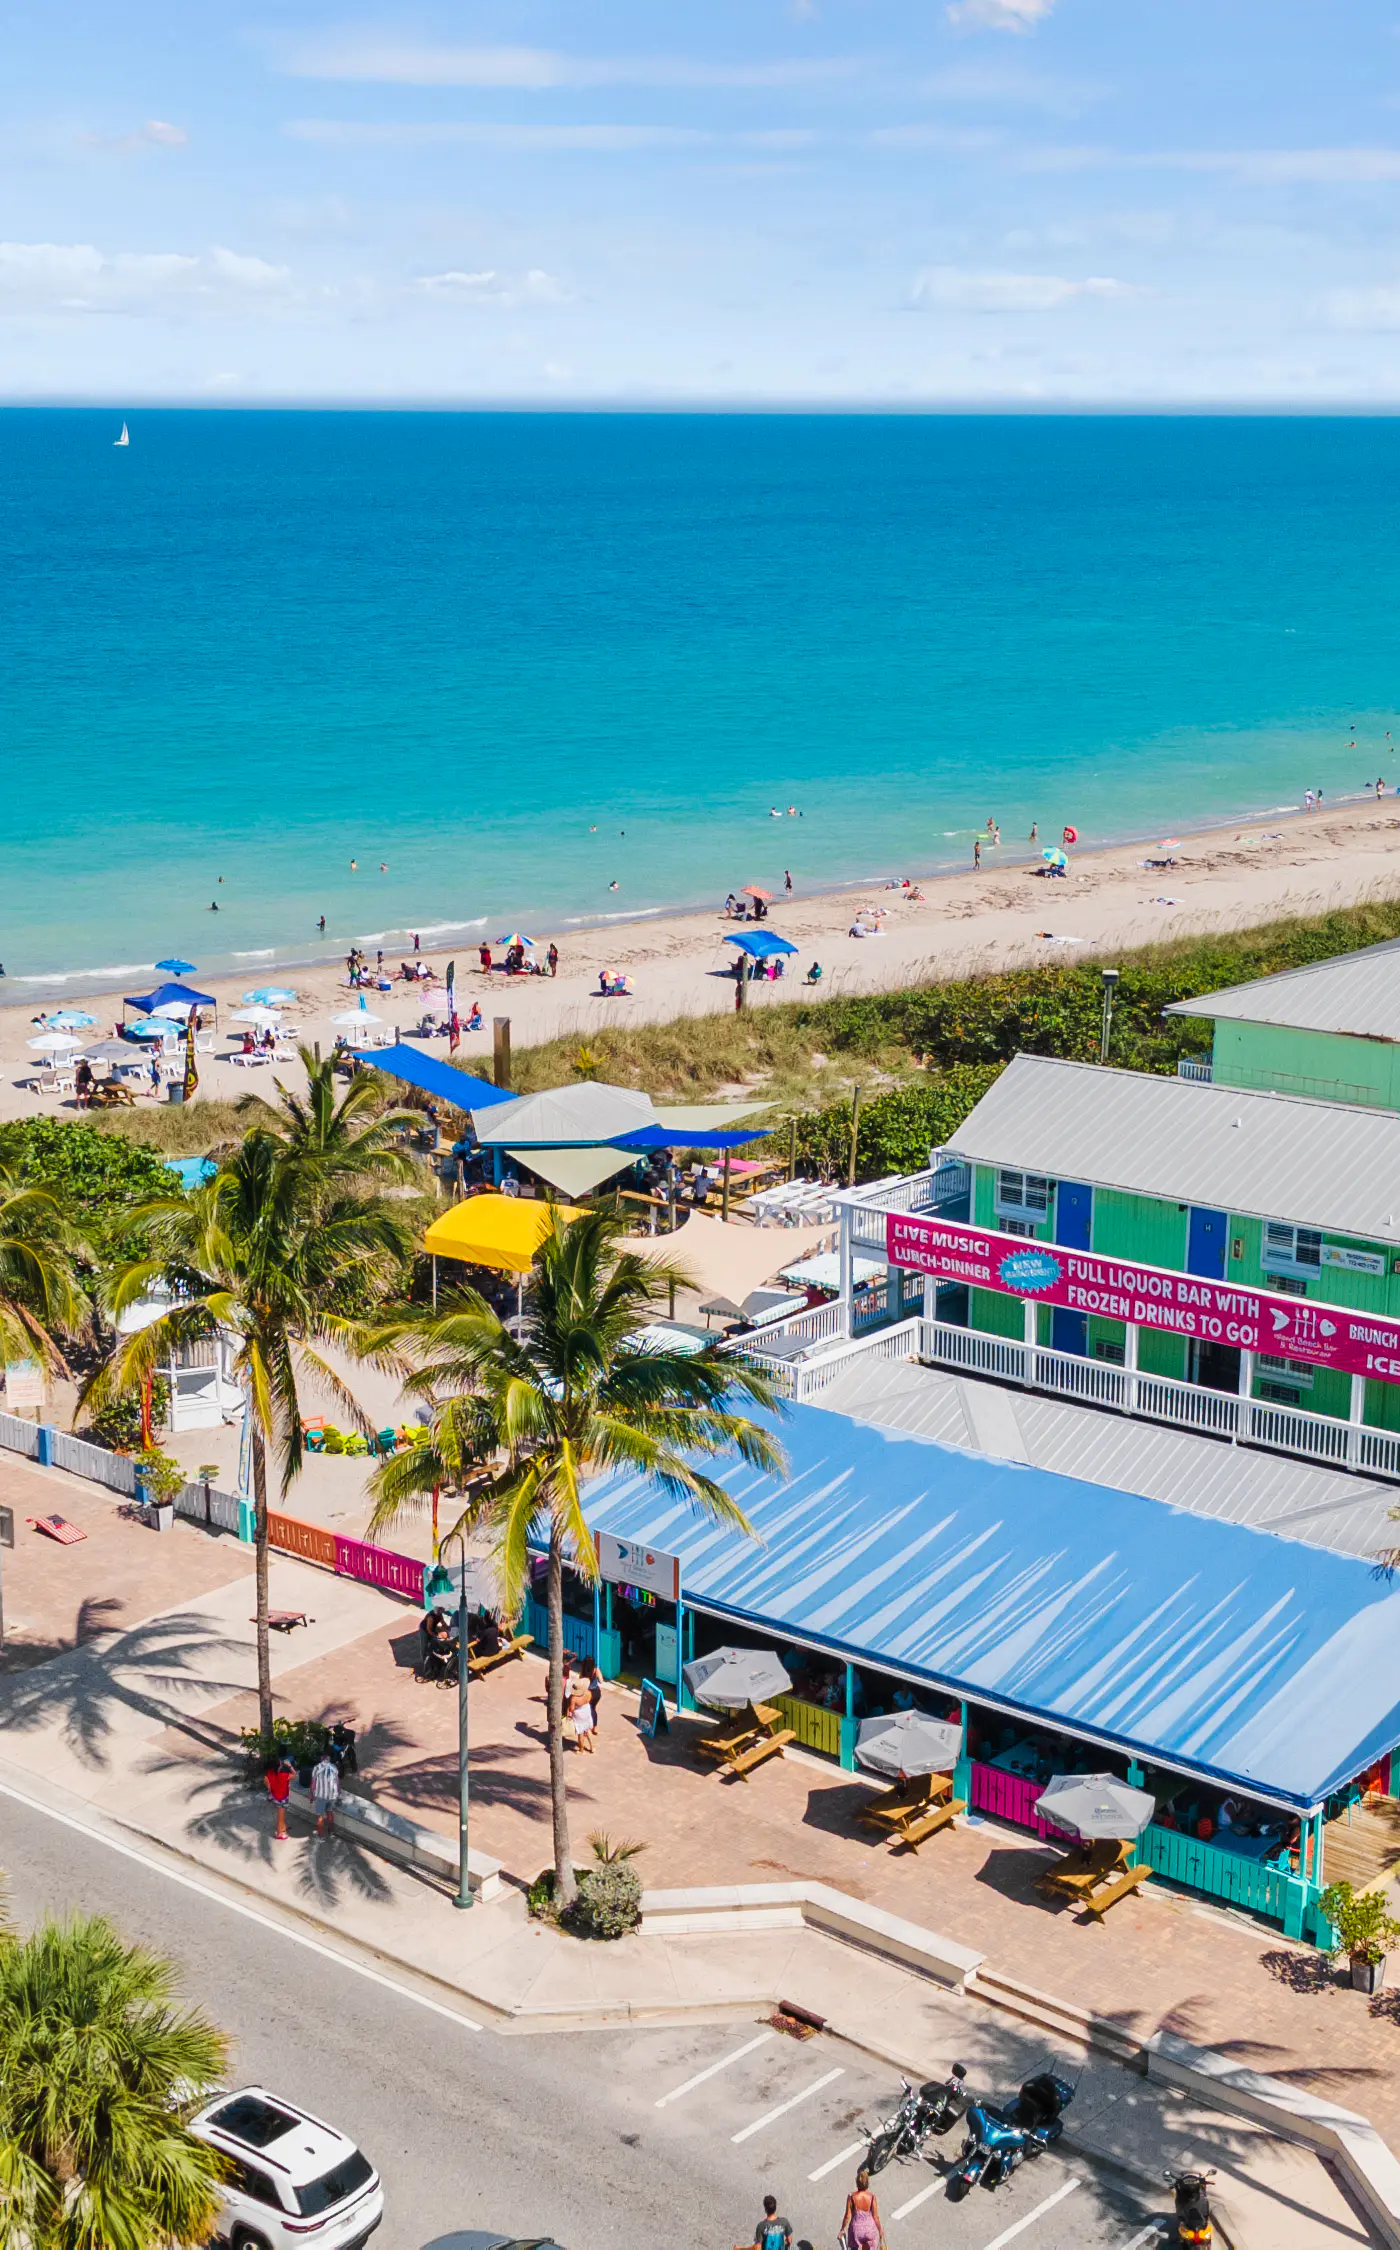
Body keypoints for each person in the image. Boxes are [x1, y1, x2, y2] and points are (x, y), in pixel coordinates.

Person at [840, 2169, 884, 2250]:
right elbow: (875, 2217)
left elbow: (847, 2216)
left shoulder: (851, 2197)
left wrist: (842, 2229)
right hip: (870, 2229)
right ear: (867, 2183)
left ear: (857, 2183)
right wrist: (880, 2230)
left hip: (856, 2230)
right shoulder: (872, 2197)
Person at [310, 1748, 341, 1836]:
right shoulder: (334, 1767)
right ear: (329, 1758)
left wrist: (311, 1795)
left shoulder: (317, 1768)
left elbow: (313, 1784)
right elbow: (337, 1782)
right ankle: (331, 1831)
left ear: (321, 1758)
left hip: (321, 1796)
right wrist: (338, 1793)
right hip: (332, 1796)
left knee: (320, 1816)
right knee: (329, 1812)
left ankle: (321, 1835)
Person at [265, 1754, 294, 1843]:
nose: (282, 1765)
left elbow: (266, 1779)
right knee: (280, 1817)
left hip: (275, 1796)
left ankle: (283, 1828)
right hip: (282, 1798)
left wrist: (270, 1789)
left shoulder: (270, 1772)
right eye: (281, 1764)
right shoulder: (283, 1775)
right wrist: (290, 1766)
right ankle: (279, 1834)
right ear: (278, 1767)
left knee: (281, 1815)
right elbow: (294, 1775)